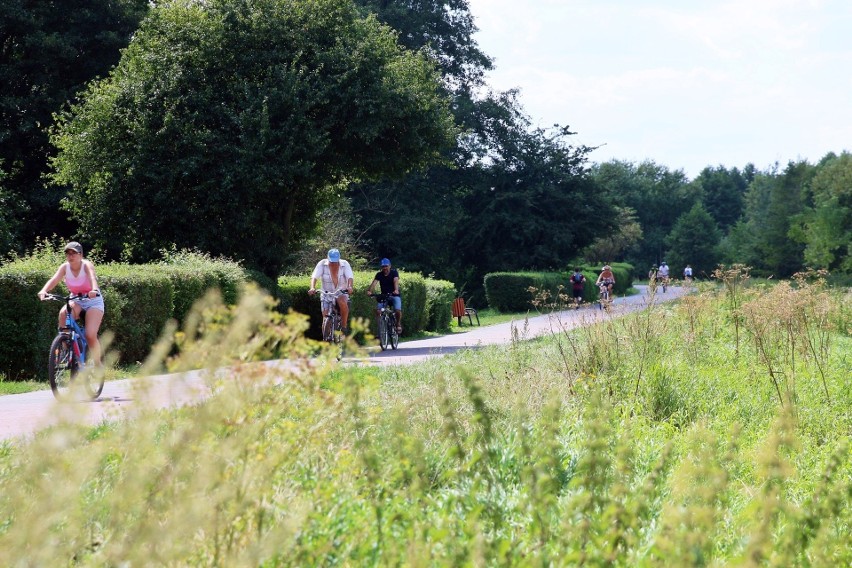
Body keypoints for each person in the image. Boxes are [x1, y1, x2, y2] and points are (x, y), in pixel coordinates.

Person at [37, 241, 105, 366]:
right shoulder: (64, 267)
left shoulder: (86, 265)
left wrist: (94, 289)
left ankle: (97, 362)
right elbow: (54, 279)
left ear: (81, 255)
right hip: (76, 299)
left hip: (93, 301)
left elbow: (92, 278)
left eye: (74, 253)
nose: (70, 256)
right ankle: (66, 348)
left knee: (90, 334)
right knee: (63, 313)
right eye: (68, 253)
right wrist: (44, 290)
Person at [308, 248, 354, 334]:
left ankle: (344, 326)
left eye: (335, 261)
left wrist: (350, 287)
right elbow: (314, 277)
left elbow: (350, 277)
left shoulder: (345, 264)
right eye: (331, 261)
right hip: (326, 293)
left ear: (339, 259)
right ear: (327, 258)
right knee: (325, 317)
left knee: (343, 302)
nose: (333, 263)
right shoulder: (322, 264)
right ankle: (326, 340)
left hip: (340, 292)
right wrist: (312, 288)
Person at [367, 258, 402, 333]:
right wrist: (370, 291)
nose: (384, 268)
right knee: (378, 311)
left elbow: (395, 281)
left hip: (394, 295)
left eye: (386, 266)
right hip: (384, 295)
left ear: (390, 266)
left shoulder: (394, 272)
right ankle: (380, 330)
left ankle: (398, 324)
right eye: (383, 266)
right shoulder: (379, 274)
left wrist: (396, 290)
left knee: (397, 310)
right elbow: (374, 283)